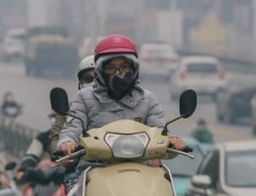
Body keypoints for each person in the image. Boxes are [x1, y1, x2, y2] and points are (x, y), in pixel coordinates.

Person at [57, 34, 186, 169]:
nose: (118, 73)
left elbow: (160, 133)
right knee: (73, 188)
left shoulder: (148, 99)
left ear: (134, 68)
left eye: (124, 67)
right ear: (100, 71)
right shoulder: (83, 98)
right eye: (111, 68)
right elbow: (73, 129)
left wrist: (171, 141)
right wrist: (68, 142)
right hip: (94, 171)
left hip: (141, 174)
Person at [48, 55, 96, 156]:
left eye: (98, 79)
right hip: (82, 163)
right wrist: (65, 146)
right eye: (88, 79)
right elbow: (56, 137)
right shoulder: (70, 109)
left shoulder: (118, 104)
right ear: (80, 83)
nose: (93, 83)